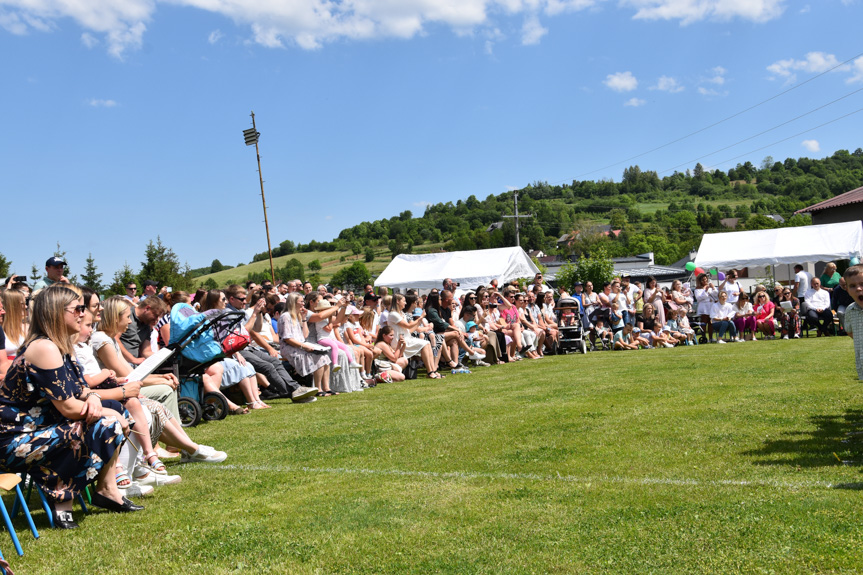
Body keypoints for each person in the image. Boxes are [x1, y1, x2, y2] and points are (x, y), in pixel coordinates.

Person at [0, 286, 134, 528]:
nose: (83, 315)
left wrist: (93, 398)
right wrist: (107, 410)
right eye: (77, 309)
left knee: (113, 415)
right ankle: (63, 499)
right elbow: (70, 409)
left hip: (42, 427)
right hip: (12, 438)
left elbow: (81, 389)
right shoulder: (44, 348)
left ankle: (106, 489)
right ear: (55, 313)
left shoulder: (61, 346)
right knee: (107, 421)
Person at [279, 293, 333, 395]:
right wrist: (304, 346)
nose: (304, 304)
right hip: (290, 347)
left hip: (300, 344)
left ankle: (326, 387)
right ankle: (318, 389)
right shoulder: (285, 317)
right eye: (301, 302)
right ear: (293, 303)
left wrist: (304, 319)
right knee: (319, 358)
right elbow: (287, 339)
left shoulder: (298, 316)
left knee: (325, 356)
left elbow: (305, 335)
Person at [387, 294, 442, 378]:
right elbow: (408, 326)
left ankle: (433, 371)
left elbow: (410, 330)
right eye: (404, 301)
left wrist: (419, 322)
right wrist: (421, 318)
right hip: (400, 342)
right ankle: (430, 372)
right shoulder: (393, 314)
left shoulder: (401, 313)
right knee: (425, 344)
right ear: (398, 301)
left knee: (427, 343)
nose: (405, 303)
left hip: (407, 339)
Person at [842, 265, 863, 380]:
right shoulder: (850, 310)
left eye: (862, 284)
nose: (858, 289)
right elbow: (849, 331)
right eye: (853, 286)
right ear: (848, 290)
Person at [0, 288, 27, 359]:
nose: (26, 307)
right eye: (22, 304)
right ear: (11, 306)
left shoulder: (26, 327)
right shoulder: (1, 329)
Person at [694, 273, 718, 342]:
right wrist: (705, 291)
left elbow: (716, 294)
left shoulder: (710, 287)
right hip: (704, 307)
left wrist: (713, 288)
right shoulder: (698, 289)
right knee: (704, 323)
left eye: (706, 279)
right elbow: (699, 298)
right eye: (703, 280)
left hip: (711, 306)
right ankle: (704, 337)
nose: (705, 281)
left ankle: (711, 337)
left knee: (711, 323)